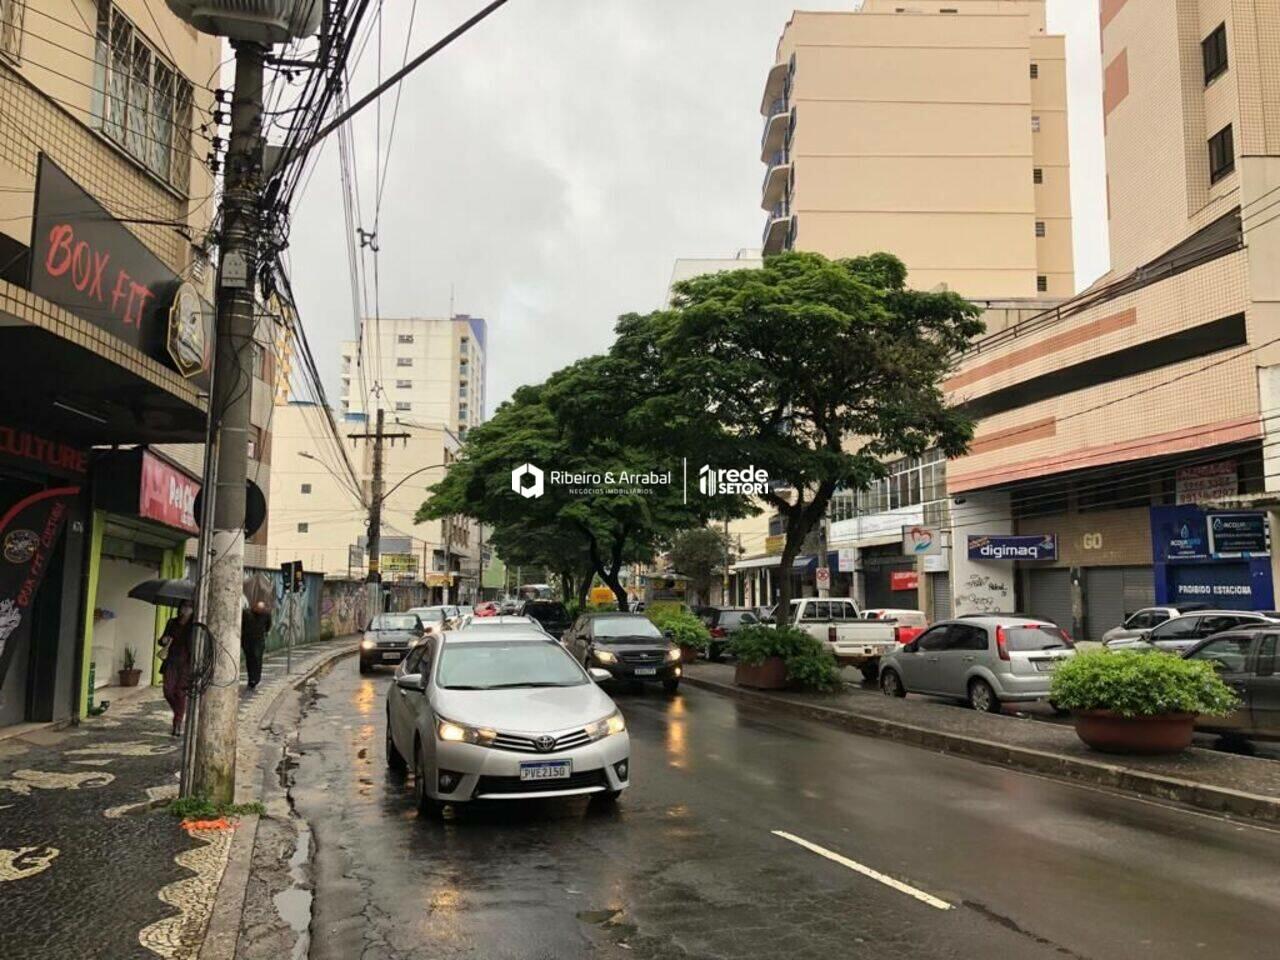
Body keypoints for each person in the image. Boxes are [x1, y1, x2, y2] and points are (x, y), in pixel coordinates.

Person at [159, 601, 195, 737]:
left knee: (180, 692)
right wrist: (163, 640)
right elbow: (162, 639)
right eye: (183, 607)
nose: (185, 610)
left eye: (189, 607)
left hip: (187, 662)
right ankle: (179, 712)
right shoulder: (172, 622)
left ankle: (177, 723)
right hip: (171, 660)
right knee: (168, 691)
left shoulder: (195, 624)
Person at [242, 599, 272, 688]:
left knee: (257, 659)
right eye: (258, 609)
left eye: (261, 610)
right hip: (247, 640)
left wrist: (264, 633)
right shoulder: (246, 613)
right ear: (254, 607)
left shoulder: (266, 614)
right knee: (250, 660)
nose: (259, 612)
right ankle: (251, 679)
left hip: (259, 640)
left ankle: (256, 678)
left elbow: (268, 626)